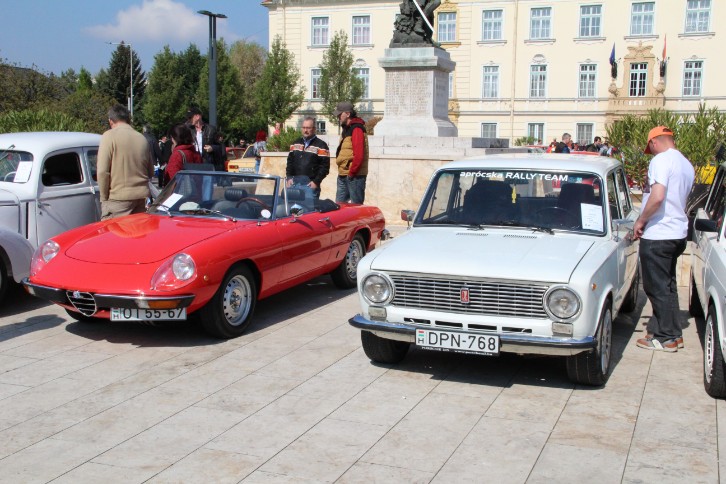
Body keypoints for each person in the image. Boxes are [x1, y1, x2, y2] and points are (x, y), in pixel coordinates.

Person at [633, 126, 695, 352]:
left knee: (656, 287)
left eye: (650, 148)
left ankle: (666, 337)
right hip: (677, 232)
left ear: (654, 142)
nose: (651, 152)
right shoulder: (685, 164)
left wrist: (641, 221)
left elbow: (657, 197)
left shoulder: (660, 160)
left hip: (660, 232)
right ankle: (672, 334)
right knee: (668, 286)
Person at [97, 104, 153, 220]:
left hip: (118, 198)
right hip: (141, 197)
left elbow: (102, 171)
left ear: (111, 121)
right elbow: (150, 171)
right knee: (137, 230)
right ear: (128, 119)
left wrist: (104, 198)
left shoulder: (109, 136)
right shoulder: (141, 138)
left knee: (113, 231)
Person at [286, 116, 330, 209]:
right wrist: (289, 178)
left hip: (309, 186)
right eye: (304, 127)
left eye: (308, 128)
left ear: (314, 129)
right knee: (292, 212)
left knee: (309, 213)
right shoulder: (295, 143)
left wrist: (316, 182)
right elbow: (290, 162)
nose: (305, 130)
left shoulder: (321, 145)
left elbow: (325, 167)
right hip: (294, 185)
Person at [334, 102, 369, 204]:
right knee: (339, 207)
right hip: (344, 174)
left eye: (340, 114)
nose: (338, 117)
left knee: (356, 208)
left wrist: (351, 174)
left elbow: (359, 155)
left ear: (348, 114)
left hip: (354, 176)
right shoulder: (346, 128)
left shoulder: (357, 128)